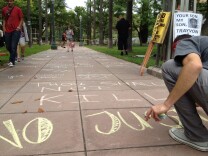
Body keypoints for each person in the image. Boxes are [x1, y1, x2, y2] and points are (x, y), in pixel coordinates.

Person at [145, 34, 208, 152]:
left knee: (169, 65)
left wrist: (166, 105)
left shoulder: (187, 42)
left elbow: (194, 65)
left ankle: (197, 136)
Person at [2, 0, 23, 67]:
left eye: (11, 1)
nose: (9, 2)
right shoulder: (4, 9)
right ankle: (15, 55)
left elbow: (21, 19)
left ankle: (11, 61)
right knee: (8, 46)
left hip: (16, 30)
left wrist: (19, 27)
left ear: (13, 1)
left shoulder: (18, 9)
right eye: (8, 1)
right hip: (7, 30)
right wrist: (4, 28)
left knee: (13, 46)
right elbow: (4, 19)